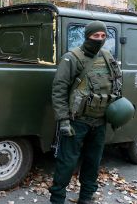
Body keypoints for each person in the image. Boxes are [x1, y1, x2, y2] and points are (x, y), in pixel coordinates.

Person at [49, 21, 122, 204]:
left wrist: (117, 111)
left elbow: (117, 83)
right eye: (95, 35)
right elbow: (59, 90)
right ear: (87, 36)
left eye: (103, 36)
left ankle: (86, 197)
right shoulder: (71, 58)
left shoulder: (107, 57)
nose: (99, 39)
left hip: (100, 121)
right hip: (76, 121)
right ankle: (57, 199)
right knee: (66, 163)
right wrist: (63, 120)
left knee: (93, 163)